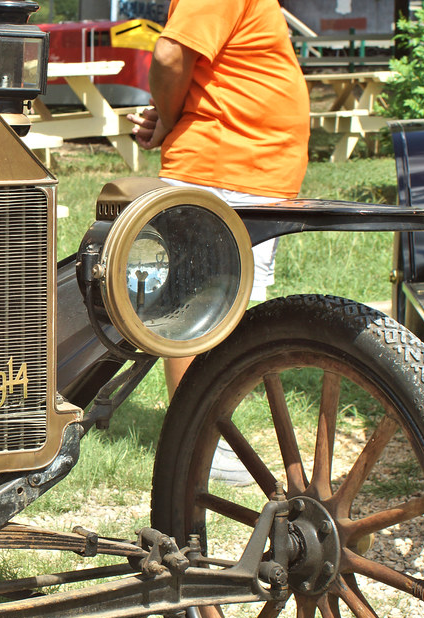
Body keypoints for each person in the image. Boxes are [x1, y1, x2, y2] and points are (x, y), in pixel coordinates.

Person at [126, 0, 310, 483]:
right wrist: (171, 122)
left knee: (220, 309)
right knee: (196, 307)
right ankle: (197, 445)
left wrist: (172, 115)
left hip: (242, 169)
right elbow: (170, 55)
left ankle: (206, 434)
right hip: (225, 168)